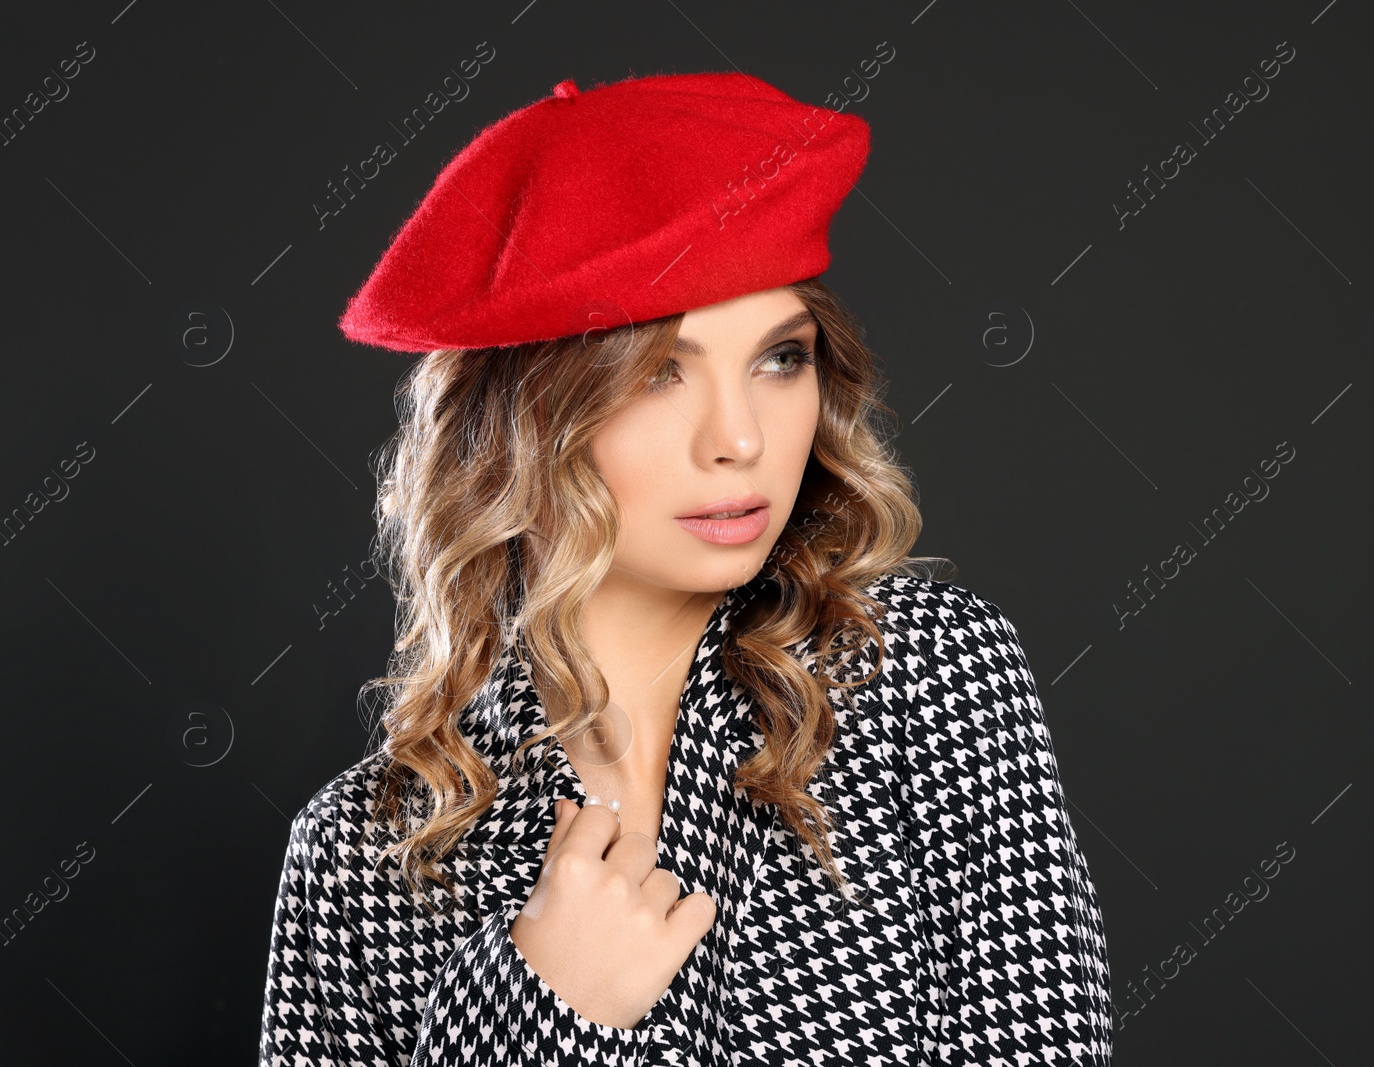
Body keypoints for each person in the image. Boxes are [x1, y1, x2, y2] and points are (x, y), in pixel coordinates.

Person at [257, 70, 1113, 1065]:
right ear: (520, 421)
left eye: (779, 358)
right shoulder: (363, 855)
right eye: (661, 371)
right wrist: (530, 1012)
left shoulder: (922, 675)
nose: (740, 439)